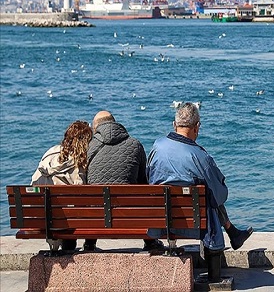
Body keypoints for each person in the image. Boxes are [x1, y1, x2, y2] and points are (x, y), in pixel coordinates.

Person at [146, 102, 253, 253]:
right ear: (197, 127)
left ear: (174, 125)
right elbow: (220, 194)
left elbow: (149, 177)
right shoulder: (200, 156)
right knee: (210, 196)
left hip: (160, 221)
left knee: (205, 193)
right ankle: (229, 238)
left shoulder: (157, 147)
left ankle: (233, 232)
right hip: (195, 224)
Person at [83, 110, 162, 252]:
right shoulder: (135, 145)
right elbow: (143, 182)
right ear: (114, 123)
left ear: (95, 128)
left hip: (95, 219)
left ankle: (89, 242)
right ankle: (150, 242)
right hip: (130, 216)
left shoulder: (88, 147)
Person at [31, 120, 93, 250]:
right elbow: (82, 199)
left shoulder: (50, 153)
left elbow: (33, 184)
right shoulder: (79, 164)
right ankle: (72, 249)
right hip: (64, 222)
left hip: (40, 217)